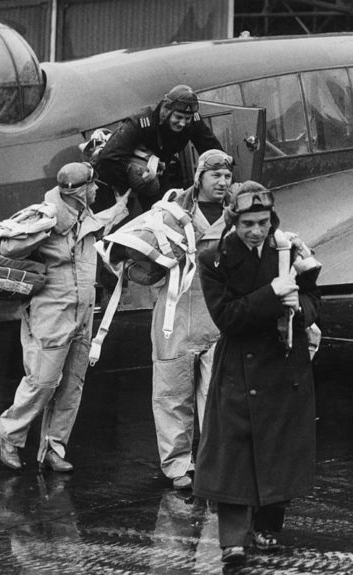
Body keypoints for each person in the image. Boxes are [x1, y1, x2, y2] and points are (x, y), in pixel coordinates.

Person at [193, 181, 321, 564]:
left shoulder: (290, 249)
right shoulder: (213, 258)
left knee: (279, 447)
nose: (256, 231)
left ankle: (267, 528)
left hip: (284, 363)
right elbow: (228, 318)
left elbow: (315, 302)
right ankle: (232, 539)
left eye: (263, 222)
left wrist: (299, 305)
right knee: (232, 452)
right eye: (247, 223)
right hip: (239, 366)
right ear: (233, 221)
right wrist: (272, 292)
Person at [0, 162, 130, 473]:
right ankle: (10, 438)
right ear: (79, 192)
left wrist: (122, 207)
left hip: (83, 312)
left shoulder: (85, 218)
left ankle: (54, 447)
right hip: (50, 312)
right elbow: (8, 244)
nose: (98, 190)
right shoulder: (45, 215)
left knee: (72, 384)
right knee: (42, 382)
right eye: (93, 186)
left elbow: (100, 222)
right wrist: (39, 228)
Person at [151, 149, 234, 490]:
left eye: (227, 176)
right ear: (199, 176)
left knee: (219, 395)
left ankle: (217, 462)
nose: (223, 182)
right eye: (216, 175)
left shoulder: (239, 212)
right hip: (175, 316)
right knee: (172, 393)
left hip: (219, 318)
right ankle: (177, 466)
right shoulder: (170, 211)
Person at [93, 84, 223, 211]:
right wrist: (129, 185)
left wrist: (226, 178)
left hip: (157, 172)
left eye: (187, 118)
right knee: (118, 220)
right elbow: (108, 158)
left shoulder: (193, 120)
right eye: (178, 117)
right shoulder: (141, 121)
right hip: (116, 174)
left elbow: (212, 150)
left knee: (162, 212)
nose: (182, 123)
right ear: (166, 110)